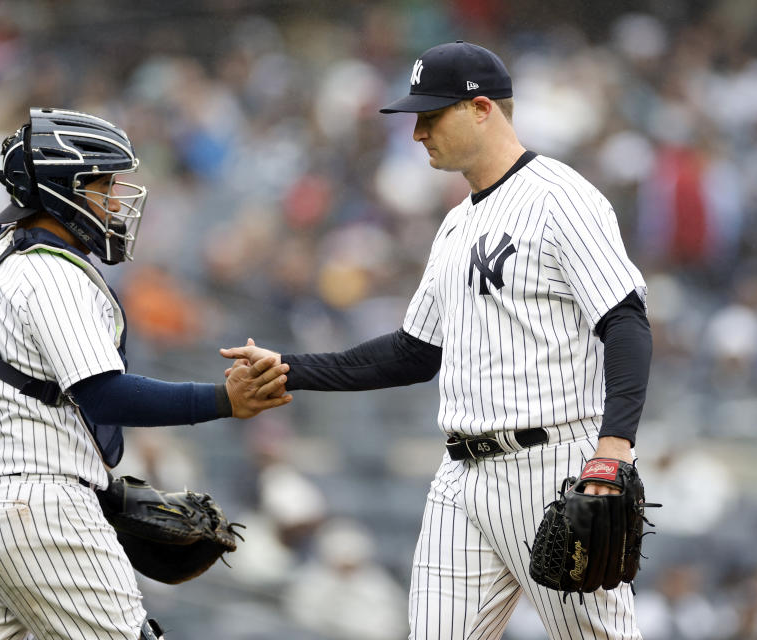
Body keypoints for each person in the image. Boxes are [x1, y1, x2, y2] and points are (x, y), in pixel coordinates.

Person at [222, 42, 652, 639]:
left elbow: (625, 321)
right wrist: (288, 368)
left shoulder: (562, 198)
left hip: (553, 465)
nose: (418, 132)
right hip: (461, 477)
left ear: (481, 109)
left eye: (431, 115)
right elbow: (413, 352)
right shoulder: (455, 224)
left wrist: (614, 448)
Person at [0, 108, 291, 640]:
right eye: (102, 185)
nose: (115, 200)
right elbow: (103, 394)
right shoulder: (53, 271)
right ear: (61, 190)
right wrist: (223, 399)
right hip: (39, 509)